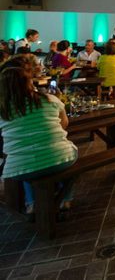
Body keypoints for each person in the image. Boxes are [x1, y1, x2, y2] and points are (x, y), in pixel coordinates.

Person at [0, 65, 78, 216]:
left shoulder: (3, 109)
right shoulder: (50, 99)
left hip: (18, 167)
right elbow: (64, 124)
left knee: (26, 161)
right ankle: (65, 199)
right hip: (61, 159)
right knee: (64, 153)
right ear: (29, 82)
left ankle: (32, 203)